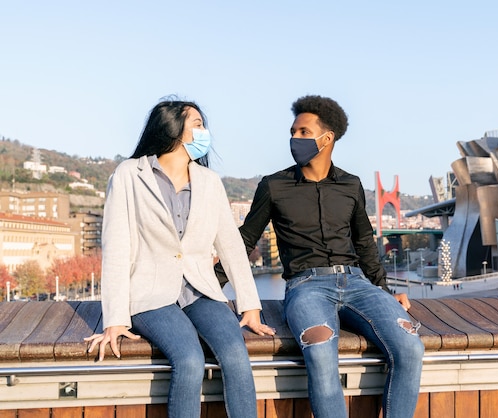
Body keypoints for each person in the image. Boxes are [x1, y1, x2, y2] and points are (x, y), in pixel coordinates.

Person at [230, 95, 424, 418]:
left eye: (304, 132)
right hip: (306, 287)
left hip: (358, 283)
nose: (295, 138)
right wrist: (205, 284)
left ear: (327, 138)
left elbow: (365, 245)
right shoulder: (273, 186)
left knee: (410, 347)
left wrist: (386, 293)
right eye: (293, 131)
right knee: (320, 351)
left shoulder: (351, 185)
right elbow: (243, 241)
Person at [85, 99, 275, 418]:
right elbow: (116, 248)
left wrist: (251, 307)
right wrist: (115, 319)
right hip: (149, 295)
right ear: (173, 130)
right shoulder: (129, 175)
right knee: (188, 360)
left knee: (236, 355)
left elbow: (230, 246)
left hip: (201, 290)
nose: (205, 132)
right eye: (198, 124)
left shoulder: (209, 182)